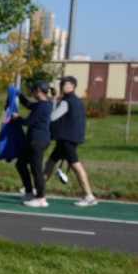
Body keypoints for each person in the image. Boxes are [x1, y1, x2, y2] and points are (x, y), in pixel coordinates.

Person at [45, 75, 98, 206]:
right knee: (50, 163)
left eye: (67, 84)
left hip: (66, 139)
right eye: (63, 84)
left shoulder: (66, 101)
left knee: (76, 165)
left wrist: (53, 101)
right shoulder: (77, 100)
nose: (63, 86)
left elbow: (52, 117)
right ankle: (38, 189)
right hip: (69, 138)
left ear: (73, 86)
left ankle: (89, 196)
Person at [16, 80, 53, 208]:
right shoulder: (43, 103)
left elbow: (28, 122)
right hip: (34, 140)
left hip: (38, 141)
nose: (31, 92)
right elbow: (28, 104)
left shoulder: (43, 106)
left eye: (33, 90)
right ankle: (29, 192)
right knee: (20, 164)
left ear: (38, 91)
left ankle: (41, 198)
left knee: (36, 169)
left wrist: (16, 118)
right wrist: (18, 94)